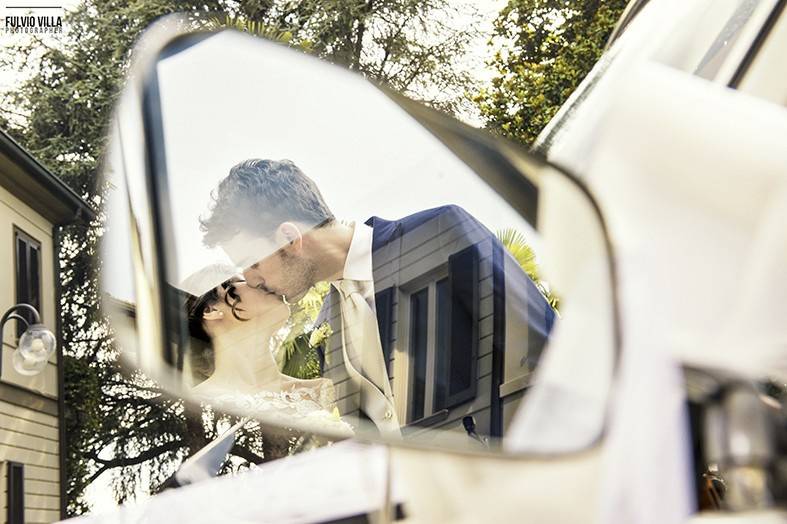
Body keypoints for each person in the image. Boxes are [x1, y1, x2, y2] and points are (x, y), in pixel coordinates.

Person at [199, 159, 555, 437]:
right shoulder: (327, 323)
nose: (250, 279)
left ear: (290, 238)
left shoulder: (438, 235)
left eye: (252, 262)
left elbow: (551, 355)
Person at [182, 266, 351, 435]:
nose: (263, 282)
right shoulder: (196, 406)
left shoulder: (323, 390)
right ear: (211, 310)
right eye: (244, 280)